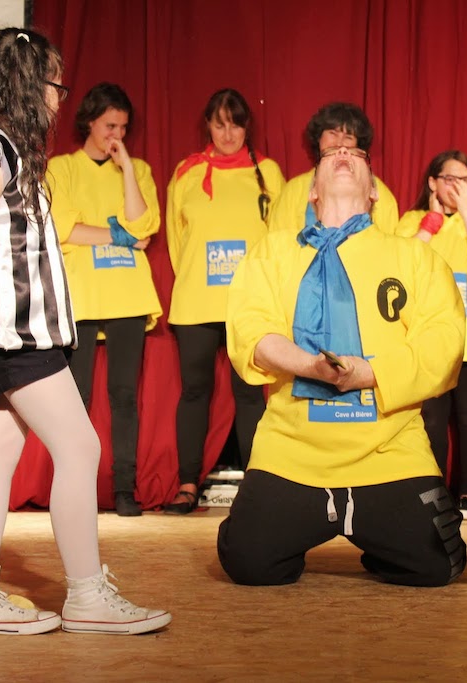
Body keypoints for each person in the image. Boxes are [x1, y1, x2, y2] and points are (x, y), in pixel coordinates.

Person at [0, 28, 170, 635]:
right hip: (13, 337)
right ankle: (87, 595)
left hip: (4, 335)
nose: (60, 96)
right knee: (80, 449)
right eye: (55, 83)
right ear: (25, 84)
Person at [217, 143, 467, 587]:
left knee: (438, 565)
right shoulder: (271, 252)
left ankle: (371, 528)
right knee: (247, 563)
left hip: (390, 452)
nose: (344, 153)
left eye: (357, 153)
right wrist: (312, 366)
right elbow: (252, 333)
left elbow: (443, 345)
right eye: (331, 152)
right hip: (292, 452)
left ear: (374, 192)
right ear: (312, 189)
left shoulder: (416, 257)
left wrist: (368, 374)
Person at [165, 88, 285, 514]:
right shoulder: (187, 172)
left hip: (249, 304)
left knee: (251, 394)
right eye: (220, 124)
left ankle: (255, 488)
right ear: (208, 126)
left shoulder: (268, 172)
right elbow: (177, 240)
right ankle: (187, 484)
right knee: (194, 392)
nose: (228, 134)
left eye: (236, 124)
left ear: (247, 126)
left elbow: (279, 238)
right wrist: (197, 278)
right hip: (197, 301)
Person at [47, 83, 160, 517]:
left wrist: (126, 168)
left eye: (124, 127)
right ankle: (75, 488)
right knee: (76, 397)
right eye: (110, 125)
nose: (117, 134)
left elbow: (144, 227)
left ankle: (124, 489)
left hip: (127, 295)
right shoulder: (61, 168)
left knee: (123, 396)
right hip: (81, 296)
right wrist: (121, 236)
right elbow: (62, 228)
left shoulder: (139, 169)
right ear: (89, 122)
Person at [396, 151, 467, 519]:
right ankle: (436, 494)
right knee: (432, 418)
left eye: (465, 180)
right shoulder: (412, 221)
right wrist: (431, 223)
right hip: (429, 335)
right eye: (450, 179)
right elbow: (403, 265)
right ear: (433, 182)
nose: (457, 186)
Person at [266, 102, 399, 234]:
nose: (339, 143)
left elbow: (386, 241)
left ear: (358, 146)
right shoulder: (293, 190)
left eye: (348, 137)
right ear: (319, 138)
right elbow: (278, 240)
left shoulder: (378, 192)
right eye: (333, 133)